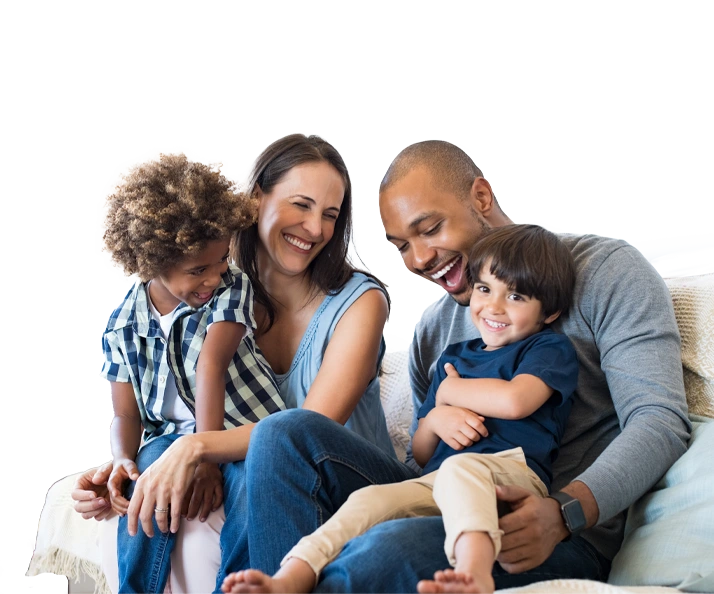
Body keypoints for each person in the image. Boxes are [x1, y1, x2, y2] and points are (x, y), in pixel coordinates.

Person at [239, 139, 690, 593]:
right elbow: (425, 460)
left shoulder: (603, 271)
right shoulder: (435, 333)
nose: (418, 260)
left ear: (480, 197)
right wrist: (436, 419)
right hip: (446, 496)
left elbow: (659, 421)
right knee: (283, 433)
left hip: (546, 527)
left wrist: (565, 512)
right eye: (401, 247)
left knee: (382, 551)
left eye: (430, 228)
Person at [71, 134, 402, 594]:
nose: (315, 229)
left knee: (264, 455)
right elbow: (153, 403)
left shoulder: (358, 304)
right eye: (301, 205)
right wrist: (125, 466)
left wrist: (196, 448)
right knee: (159, 478)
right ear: (254, 200)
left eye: (330, 215)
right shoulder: (209, 293)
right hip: (258, 468)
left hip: (344, 482)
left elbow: (308, 429)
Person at [222, 224, 578, 594]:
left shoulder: (546, 349)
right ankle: (290, 577)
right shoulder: (454, 357)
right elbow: (422, 453)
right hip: (436, 481)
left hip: (511, 477)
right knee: (368, 500)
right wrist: (437, 415)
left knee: (461, 467)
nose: (494, 307)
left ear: (549, 312)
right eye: (485, 289)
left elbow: (515, 401)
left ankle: (475, 573)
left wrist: (451, 392)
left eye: (516, 297)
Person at [99, 151, 286, 594]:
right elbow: (126, 415)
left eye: (221, 260)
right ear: (152, 262)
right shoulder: (123, 325)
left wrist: (204, 456)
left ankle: (239, 586)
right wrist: (122, 460)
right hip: (169, 439)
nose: (214, 276)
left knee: (249, 490)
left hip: (245, 430)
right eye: (197, 270)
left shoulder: (230, 287)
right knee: (146, 478)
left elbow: (210, 366)